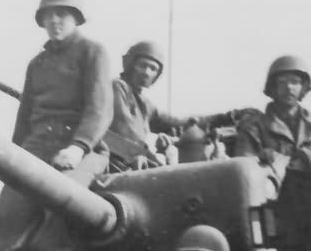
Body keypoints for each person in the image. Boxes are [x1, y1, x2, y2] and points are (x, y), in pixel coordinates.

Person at [0, 0, 112, 251]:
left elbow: (99, 108)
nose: (55, 21)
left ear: (76, 18)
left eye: (62, 14)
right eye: (49, 16)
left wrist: (78, 147)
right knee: (7, 211)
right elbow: (24, 120)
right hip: (37, 147)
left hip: (82, 147)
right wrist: (11, 160)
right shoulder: (37, 64)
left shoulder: (92, 52)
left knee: (69, 200)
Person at [108, 41, 252, 170]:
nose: (146, 72)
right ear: (130, 64)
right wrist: (144, 154)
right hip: (115, 159)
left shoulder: (145, 104)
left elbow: (177, 124)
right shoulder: (117, 87)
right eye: (142, 65)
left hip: (133, 159)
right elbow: (124, 127)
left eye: (153, 69)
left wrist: (227, 117)